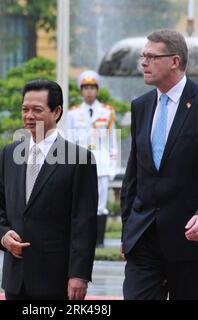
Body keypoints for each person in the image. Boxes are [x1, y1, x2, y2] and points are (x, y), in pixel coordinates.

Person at [120, 29, 198, 300]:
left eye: (151, 56)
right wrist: (128, 229)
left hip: (193, 238)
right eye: (143, 56)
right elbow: (134, 173)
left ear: (174, 61)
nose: (144, 62)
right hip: (144, 236)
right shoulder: (141, 106)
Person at [0, 79, 98, 300]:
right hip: (15, 277)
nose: (29, 116)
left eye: (37, 110)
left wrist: (79, 275)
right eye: (25, 109)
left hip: (56, 279)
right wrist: (2, 235)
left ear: (57, 112)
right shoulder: (10, 154)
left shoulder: (79, 159)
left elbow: (84, 222)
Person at [68, 70, 118, 248]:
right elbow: (70, 141)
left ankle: (99, 241)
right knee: (79, 203)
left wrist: (113, 167)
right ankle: (83, 239)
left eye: (92, 87)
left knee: (101, 205)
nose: (89, 91)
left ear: (97, 90)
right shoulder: (73, 113)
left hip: (102, 164)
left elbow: (113, 142)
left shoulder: (107, 112)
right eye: (86, 88)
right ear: (81, 90)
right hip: (81, 163)